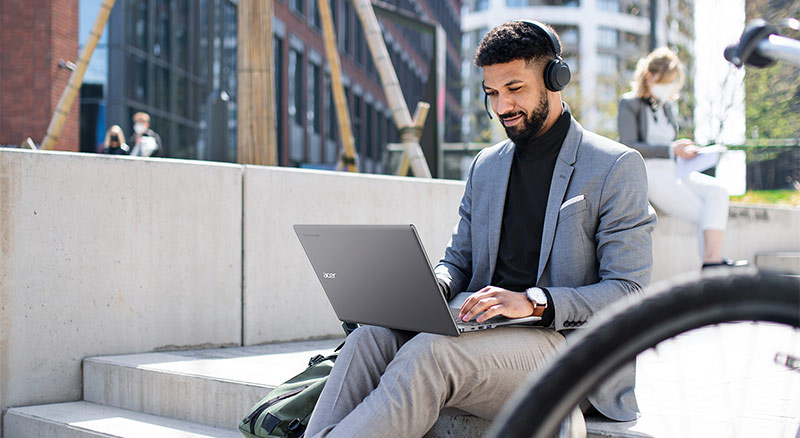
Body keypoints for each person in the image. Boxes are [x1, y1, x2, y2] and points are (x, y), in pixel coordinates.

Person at [305, 20, 656, 438]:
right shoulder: (487, 166)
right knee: (369, 338)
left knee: (430, 354)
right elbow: (458, 260)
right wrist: (434, 284)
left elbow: (629, 290)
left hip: (562, 345)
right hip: (480, 329)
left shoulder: (615, 166)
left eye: (514, 88)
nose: (502, 106)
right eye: (491, 93)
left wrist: (533, 301)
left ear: (554, 78)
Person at [618, 48, 739, 268]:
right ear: (650, 76)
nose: (670, 87)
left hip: (676, 170)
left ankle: (713, 260)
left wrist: (684, 150)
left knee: (718, 192)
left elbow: (671, 144)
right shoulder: (629, 103)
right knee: (702, 212)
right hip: (650, 173)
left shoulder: (667, 108)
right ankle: (712, 263)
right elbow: (628, 145)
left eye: (673, 81)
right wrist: (672, 149)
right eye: (667, 80)